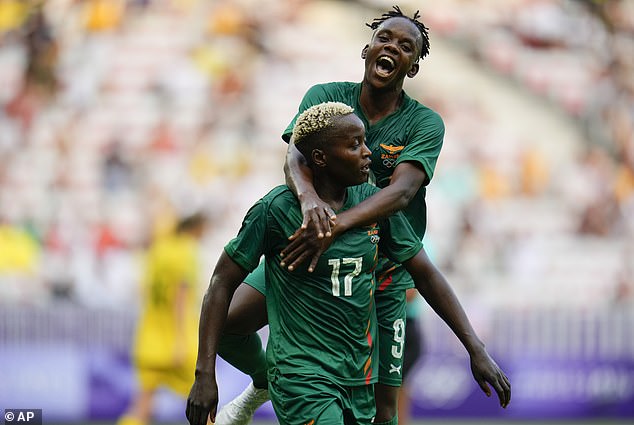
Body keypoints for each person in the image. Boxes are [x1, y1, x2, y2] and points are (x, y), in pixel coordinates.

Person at [185, 102, 510, 425]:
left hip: (358, 377)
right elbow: (221, 283)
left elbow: (425, 275)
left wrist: (475, 348)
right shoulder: (275, 211)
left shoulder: (372, 204)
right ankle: (265, 380)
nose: (368, 152)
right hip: (303, 378)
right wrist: (205, 374)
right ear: (320, 158)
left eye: (365, 141)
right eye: (355, 145)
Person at [214, 6, 463, 425]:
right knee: (224, 325)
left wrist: (336, 225)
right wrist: (309, 198)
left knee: (385, 411)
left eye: (406, 46)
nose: (393, 47)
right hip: (313, 253)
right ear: (367, 48)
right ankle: (266, 380)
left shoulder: (424, 123)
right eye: (385, 37)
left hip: (381, 270)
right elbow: (295, 154)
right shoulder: (326, 100)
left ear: (413, 67)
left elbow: (401, 193)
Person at [117, 213, 208, 425]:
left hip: (149, 338)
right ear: (196, 227)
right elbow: (180, 295)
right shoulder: (186, 251)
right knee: (204, 403)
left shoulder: (158, 250)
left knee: (141, 406)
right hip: (179, 341)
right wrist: (179, 339)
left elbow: (143, 290)